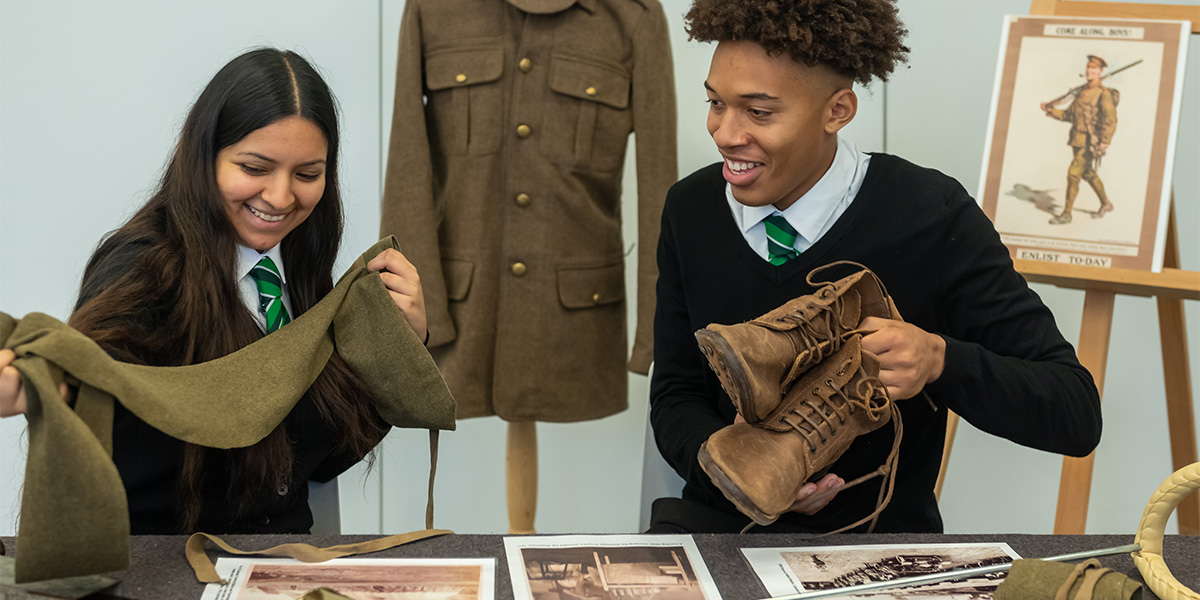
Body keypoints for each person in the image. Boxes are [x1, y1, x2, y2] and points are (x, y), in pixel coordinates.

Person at [648, 0, 1102, 533]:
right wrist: (738, 474)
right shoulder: (691, 208)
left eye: (759, 112)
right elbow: (676, 393)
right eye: (715, 103)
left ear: (838, 110)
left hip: (877, 547)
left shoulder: (930, 214)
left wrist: (940, 361)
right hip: (716, 531)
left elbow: (1074, 412)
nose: (725, 133)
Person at [0, 48, 427, 534]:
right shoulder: (140, 268)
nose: (281, 197)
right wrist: (45, 384)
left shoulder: (301, 272)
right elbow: (87, 381)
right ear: (204, 156)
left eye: (307, 174)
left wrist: (398, 345)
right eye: (254, 168)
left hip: (280, 560)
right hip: (163, 562)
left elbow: (313, 464)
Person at [1041, 55, 1118, 225]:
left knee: (1073, 175)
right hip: (1077, 140)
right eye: (1088, 68)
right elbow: (1069, 115)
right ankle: (1106, 203)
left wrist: (1105, 141)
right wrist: (1050, 110)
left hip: (1091, 143)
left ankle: (1067, 214)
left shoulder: (1103, 94)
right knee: (1088, 173)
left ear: (1100, 71)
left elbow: (1111, 119)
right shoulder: (1082, 93)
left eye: (1094, 69)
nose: (1090, 71)